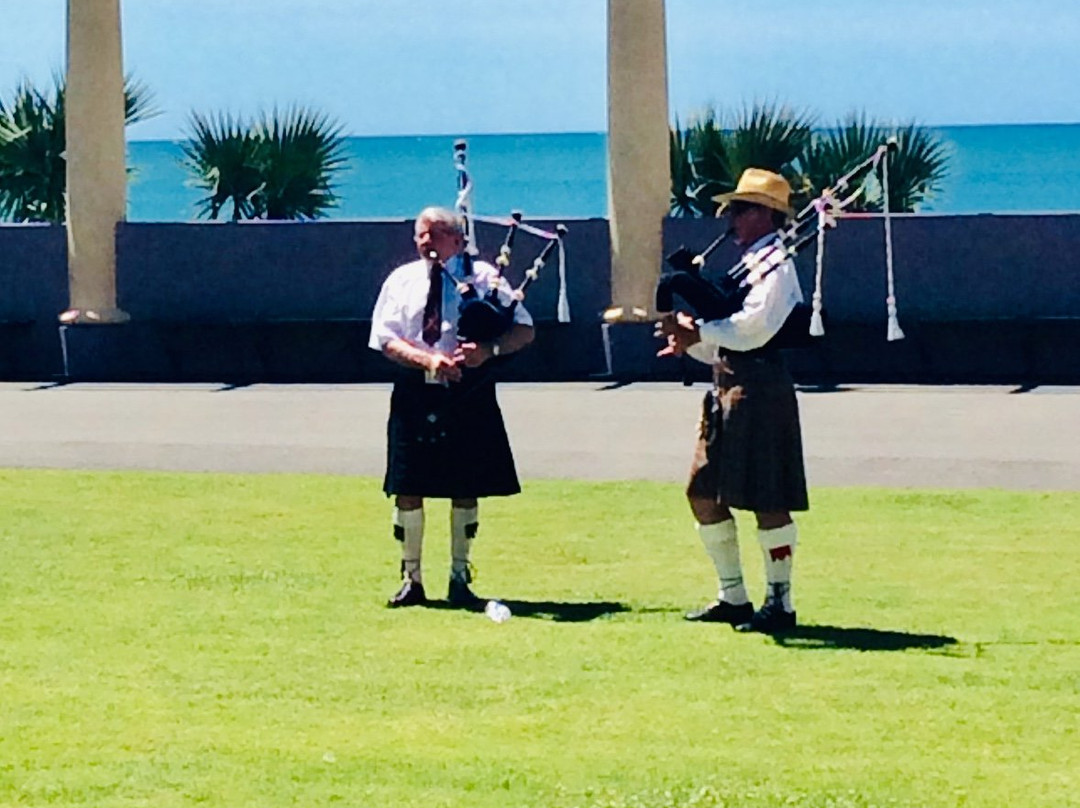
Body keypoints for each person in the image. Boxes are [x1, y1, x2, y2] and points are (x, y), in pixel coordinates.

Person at [656, 168, 809, 633]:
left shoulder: (777, 266)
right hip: (727, 385)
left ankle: (780, 603)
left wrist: (699, 330)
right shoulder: (747, 266)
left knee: (768, 497)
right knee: (702, 492)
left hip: (761, 388)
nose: (730, 218)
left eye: (740, 209)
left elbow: (754, 328)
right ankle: (733, 596)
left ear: (765, 214)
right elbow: (725, 337)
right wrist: (691, 341)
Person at [368, 206, 534, 610]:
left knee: (466, 484)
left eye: (436, 233)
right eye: (420, 234)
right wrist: (427, 360)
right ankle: (412, 579)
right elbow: (385, 337)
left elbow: (525, 330)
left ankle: (460, 577)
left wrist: (488, 351)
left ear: (459, 240)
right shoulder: (401, 280)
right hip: (415, 388)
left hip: (468, 390)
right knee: (407, 485)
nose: (426, 241)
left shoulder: (486, 279)